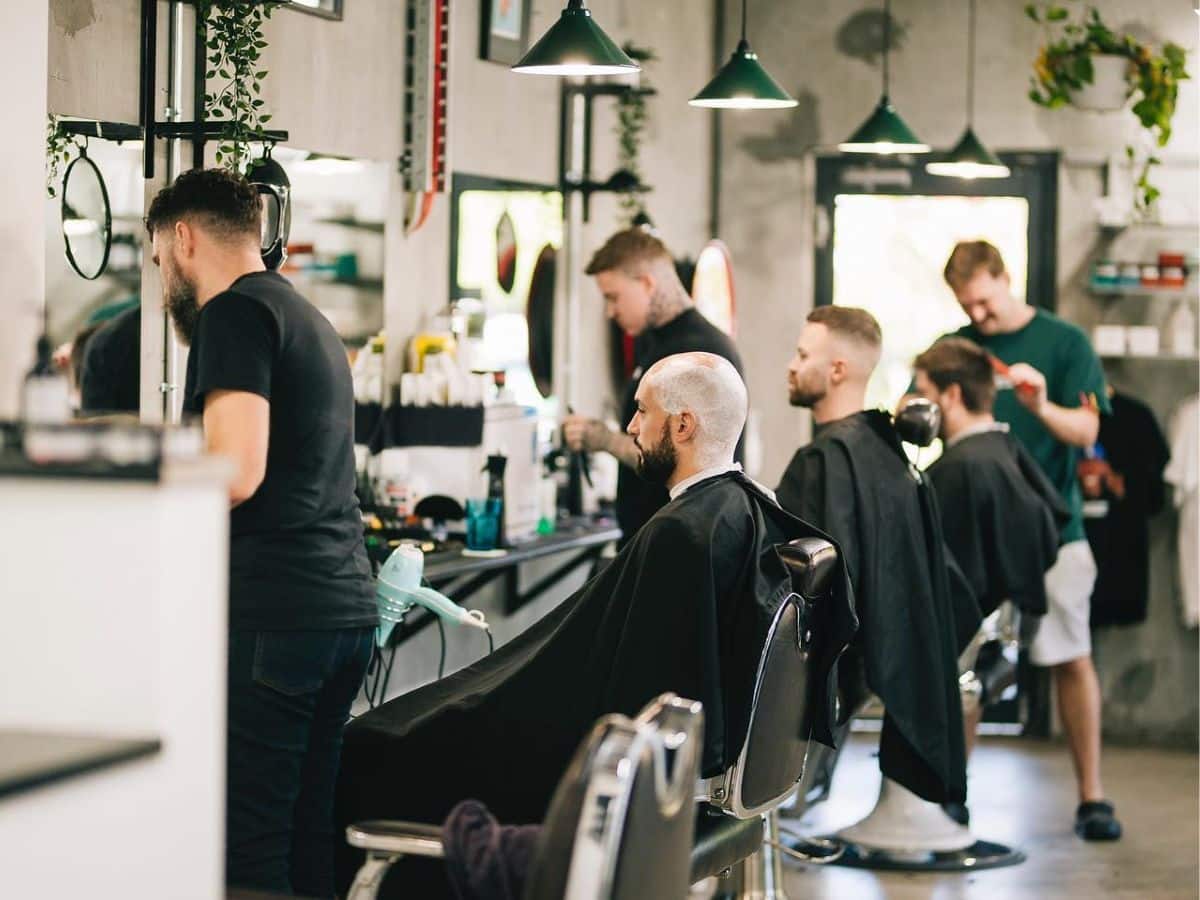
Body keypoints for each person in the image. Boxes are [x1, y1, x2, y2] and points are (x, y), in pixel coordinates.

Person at [334, 352, 855, 899]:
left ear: (682, 425)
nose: (631, 427)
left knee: (374, 745)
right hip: (697, 761)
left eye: (641, 412)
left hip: (596, 752)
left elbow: (619, 694)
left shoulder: (684, 534)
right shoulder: (743, 509)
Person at [145, 167, 377, 895]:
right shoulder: (306, 317)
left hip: (276, 618)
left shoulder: (233, 315)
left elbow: (237, 469)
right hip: (341, 612)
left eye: (156, 260)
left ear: (182, 239)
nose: (161, 281)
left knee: (246, 847)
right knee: (307, 835)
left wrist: (137, 497)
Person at [936, 240, 1119, 841]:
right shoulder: (963, 349)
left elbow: (1087, 429)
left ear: (1005, 278)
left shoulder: (1067, 344)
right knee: (968, 665)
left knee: (1070, 656)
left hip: (1052, 529)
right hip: (978, 537)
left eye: (985, 303)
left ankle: (1092, 796)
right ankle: (951, 799)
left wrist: (1040, 406)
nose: (979, 318)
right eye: (968, 307)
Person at [775, 306, 978, 807]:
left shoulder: (823, 460)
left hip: (845, 662)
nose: (791, 366)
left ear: (837, 370)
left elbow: (798, 591)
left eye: (803, 355)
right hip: (892, 649)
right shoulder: (887, 449)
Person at [912, 336, 1070, 754]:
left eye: (923, 393)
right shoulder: (1002, 448)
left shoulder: (962, 468)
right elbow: (1051, 521)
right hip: (995, 626)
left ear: (951, 395)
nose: (915, 404)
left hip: (957, 632)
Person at [563, 228, 744, 545]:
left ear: (647, 283)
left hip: (680, 541)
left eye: (613, 297)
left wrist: (603, 438)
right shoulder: (655, 344)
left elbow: (676, 455)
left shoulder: (697, 352)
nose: (610, 311)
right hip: (651, 535)